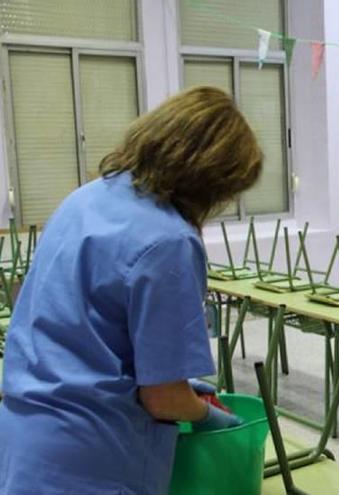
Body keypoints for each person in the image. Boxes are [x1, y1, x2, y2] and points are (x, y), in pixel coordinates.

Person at [0, 86, 263, 494]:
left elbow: (86, 332)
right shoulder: (168, 241)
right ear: (208, 179)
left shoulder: (85, 199)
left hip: (25, 441)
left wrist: (179, 385)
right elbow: (162, 399)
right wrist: (205, 414)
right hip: (92, 456)